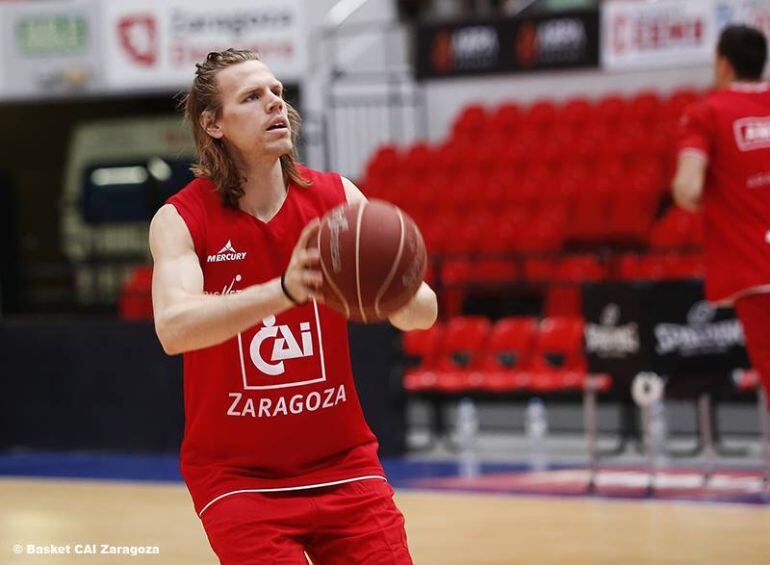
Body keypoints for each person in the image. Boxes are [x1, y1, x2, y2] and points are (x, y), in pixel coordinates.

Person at [149, 48, 437, 564]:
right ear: (213, 124)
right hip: (239, 480)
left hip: (344, 465)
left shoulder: (337, 199)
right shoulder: (181, 219)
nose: (275, 104)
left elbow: (424, 314)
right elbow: (173, 328)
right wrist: (284, 290)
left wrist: (393, 284)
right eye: (253, 97)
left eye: (278, 93)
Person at [673, 24, 770, 407]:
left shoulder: (707, 113)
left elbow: (689, 187)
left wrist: (715, 198)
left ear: (724, 63)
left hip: (755, 269)